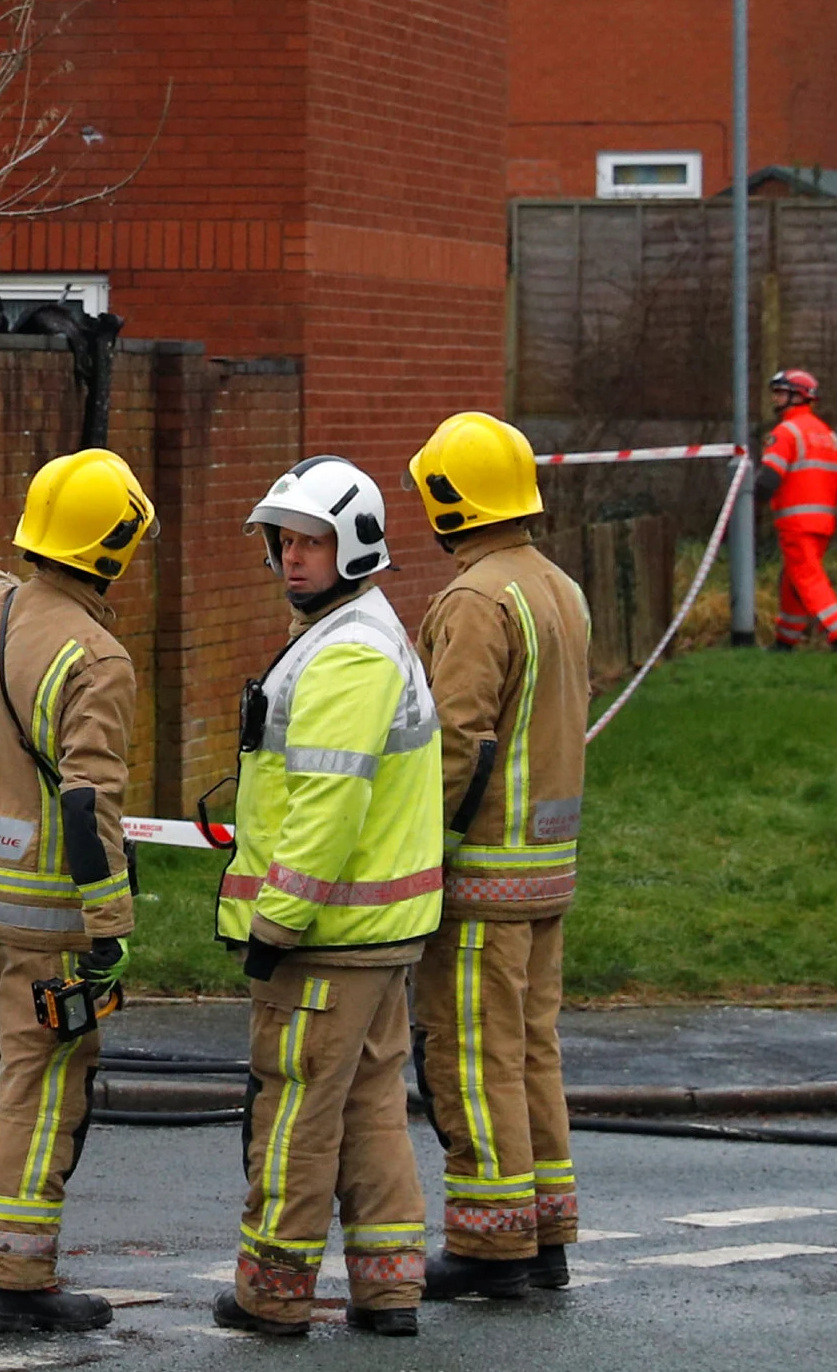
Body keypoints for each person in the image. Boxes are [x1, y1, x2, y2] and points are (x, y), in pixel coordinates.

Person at [0, 450, 149, 1333]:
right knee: (38, 1087)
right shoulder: (98, 658)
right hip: (40, 921)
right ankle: (13, 1277)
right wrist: (109, 926)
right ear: (114, 547)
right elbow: (89, 805)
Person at [208, 457, 442, 1339]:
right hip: (376, 933)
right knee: (371, 1106)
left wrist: (276, 920)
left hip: (328, 936)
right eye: (285, 541)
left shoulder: (346, 649)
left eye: (311, 541)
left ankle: (272, 1294)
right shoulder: (362, 629)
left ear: (354, 547)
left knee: (296, 1112)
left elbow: (326, 802)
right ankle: (388, 1291)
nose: (293, 558)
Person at [401, 413, 592, 1301]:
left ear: (451, 498)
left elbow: (458, 742)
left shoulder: (477, 600)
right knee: (530, 1056)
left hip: (481, 878)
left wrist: (421, 852)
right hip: (547, 871)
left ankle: (490, 1244)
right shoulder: (558, 587)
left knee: (471, 1060)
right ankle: (544, 1233)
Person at [756, 368, 837, 650]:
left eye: (780, 393)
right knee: (793, 581)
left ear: (798, 397)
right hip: (823, 525)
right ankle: (785, 641)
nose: (774, 399)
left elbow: (768, 478)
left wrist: (748, 509)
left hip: (796, 523)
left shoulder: (785, 433)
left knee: (808, 579)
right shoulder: (828, 436)